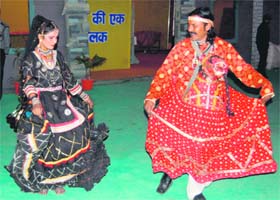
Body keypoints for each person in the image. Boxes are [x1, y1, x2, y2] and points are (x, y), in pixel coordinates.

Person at [144, 7, 277, 200]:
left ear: (209, 26)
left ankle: (195, 189)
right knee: (175, 140)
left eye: (195, 25)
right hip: (183, 103)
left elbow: (243, 70)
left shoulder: (223, 47)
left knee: (205, 147)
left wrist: (264, 84)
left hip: (214, 107)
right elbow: (164, 73)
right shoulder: (182, 48)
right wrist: (152, 96)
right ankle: (170, 171)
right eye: (189, 24)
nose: (190, 28)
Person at [5, 15, 110, 194]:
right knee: (46, 136)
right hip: (41, 102)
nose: (55, 41)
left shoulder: (57, 56)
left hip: (62, 101)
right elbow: (28, 83)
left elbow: (69, 80)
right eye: (51, 37)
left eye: (56, 37)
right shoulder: (31, 59)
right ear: (40, 36)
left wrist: (84, 95)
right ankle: (43, 181)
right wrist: (36, 102)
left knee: (73, 132)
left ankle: (60, 179)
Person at [0, 9, 10, 100]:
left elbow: (7, 41)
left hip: (0, 51)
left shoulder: (4, 26)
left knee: (0, 73)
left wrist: (6, 51)